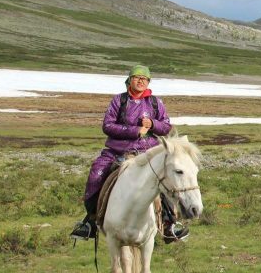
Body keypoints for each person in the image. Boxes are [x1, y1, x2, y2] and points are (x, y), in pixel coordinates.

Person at [70, 65, 187, 244]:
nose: (141, 81)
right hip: (118, 151)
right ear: (129, 80)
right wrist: (135, 130)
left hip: (148, 152)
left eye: (144, 78)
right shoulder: (119, 101)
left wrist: (153, 124)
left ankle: (170, 224)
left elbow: (166, 127)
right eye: (137, 77)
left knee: (165, 179)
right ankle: (91, 221)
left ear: (148, 82)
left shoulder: (156, 102)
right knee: (96, 173)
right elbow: (107, 126)